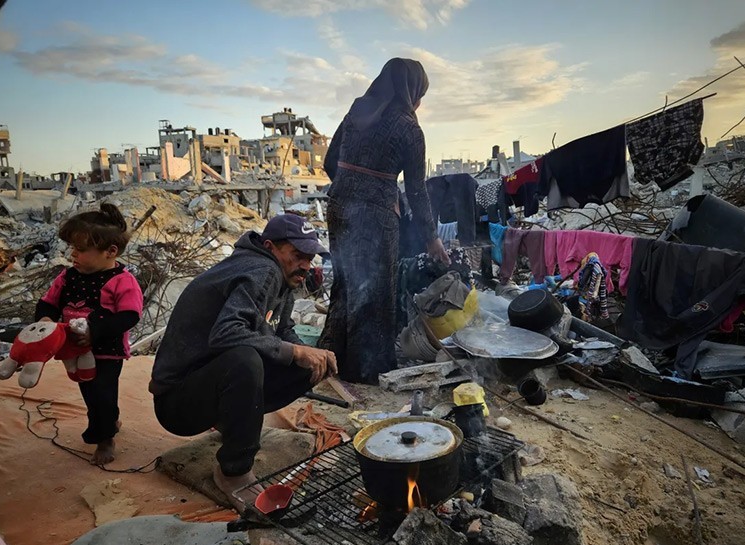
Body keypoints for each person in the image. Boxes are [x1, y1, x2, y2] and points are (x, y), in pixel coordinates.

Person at [149, 214, 337, 511]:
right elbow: (226, 334)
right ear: (270, 247)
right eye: (298, 255)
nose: (305, 265)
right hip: (176, 403)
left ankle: (231, 422)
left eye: (309, 258)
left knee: (305, 364)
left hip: (205, 386)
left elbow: (281, 329)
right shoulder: (263, 270)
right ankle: (232, 471)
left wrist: (306, 352)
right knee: (244, 359)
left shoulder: (283, 278)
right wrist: (296, 352)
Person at [319, 57, 449, 385]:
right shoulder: (408, 127)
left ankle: (330, 358)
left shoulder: (357, 111)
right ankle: (366, 371)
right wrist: (432, 238)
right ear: (412, 92)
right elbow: (417, 191)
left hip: (338, 207)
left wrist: (349, 186)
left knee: (346, 283)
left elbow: (329, 161)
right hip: (376, 214)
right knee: (376, 292)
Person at [36, 203, 143, 465]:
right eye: (72, 248)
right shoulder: (68, 277)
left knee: (101, 393)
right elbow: (48, 302)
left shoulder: (122, 280)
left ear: (110, 252)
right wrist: (46, 319)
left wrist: (96, 332)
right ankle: (109, 420)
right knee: (91, 393)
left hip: (107, 351)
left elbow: (130, 315)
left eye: (81, 250)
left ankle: (103, 438)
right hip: (74, 350)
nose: (73, 254)